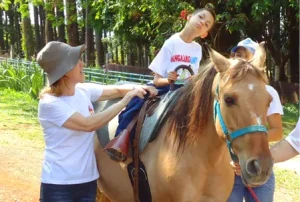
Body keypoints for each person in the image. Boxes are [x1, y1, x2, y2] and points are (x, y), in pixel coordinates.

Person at [37, 41, 157, 202]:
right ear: (64, 71)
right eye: (76, 61)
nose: (82, 63)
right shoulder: (50, 103)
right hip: (59, 184)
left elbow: (116, 90)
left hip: (87, 181)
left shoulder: (82, 91)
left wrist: (141, 87)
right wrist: (125, 102)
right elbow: (88, 124)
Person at [227, 38, 284, 202]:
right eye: (236, 55)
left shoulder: (269, 92)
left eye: (244, 55)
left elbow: (278, 131)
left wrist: (251, 142)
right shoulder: (226, 93)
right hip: (231, 169)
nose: (239, 58)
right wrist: (227, 160)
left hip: (258, 162)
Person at [149, 7, 216, 88]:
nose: (202, 22)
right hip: (168, 90)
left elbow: (193, 77)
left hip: (185, 92)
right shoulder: (171, 42)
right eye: (200, 17)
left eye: (206, 24)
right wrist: (168, 80)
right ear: (189, 17)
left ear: (204, 34)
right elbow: (156, 80)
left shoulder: (197, 49)